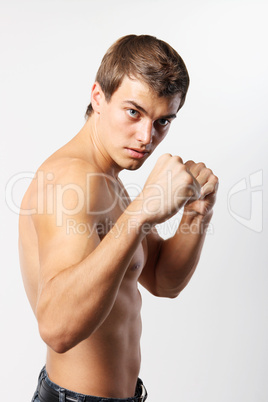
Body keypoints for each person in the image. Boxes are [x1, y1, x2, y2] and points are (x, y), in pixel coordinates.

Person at [19, 34, 219, 402]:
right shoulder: (71, 180)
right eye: (134, 112)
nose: (147, 137)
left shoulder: (108, 180)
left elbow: (161, 279)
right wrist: (142, 211)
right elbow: (57, 328)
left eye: (163, 121)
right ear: (98, 96)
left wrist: (196, 213)